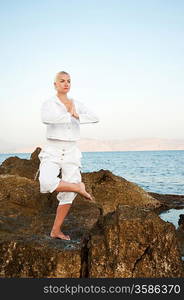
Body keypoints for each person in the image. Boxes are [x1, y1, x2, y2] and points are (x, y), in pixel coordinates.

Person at [38, 71, 99, 240]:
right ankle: (78, 187)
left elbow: (95, 117)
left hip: (72, 151)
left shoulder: (76, 103)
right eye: (62, 81)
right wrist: (67, 114)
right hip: (53, 149)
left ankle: (55, 230)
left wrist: (76, 114)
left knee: (67, 195)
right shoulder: (49, 103)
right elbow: (46, 118)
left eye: (69, 81)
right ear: (55, 84)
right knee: (46, 181)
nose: (66, 83)